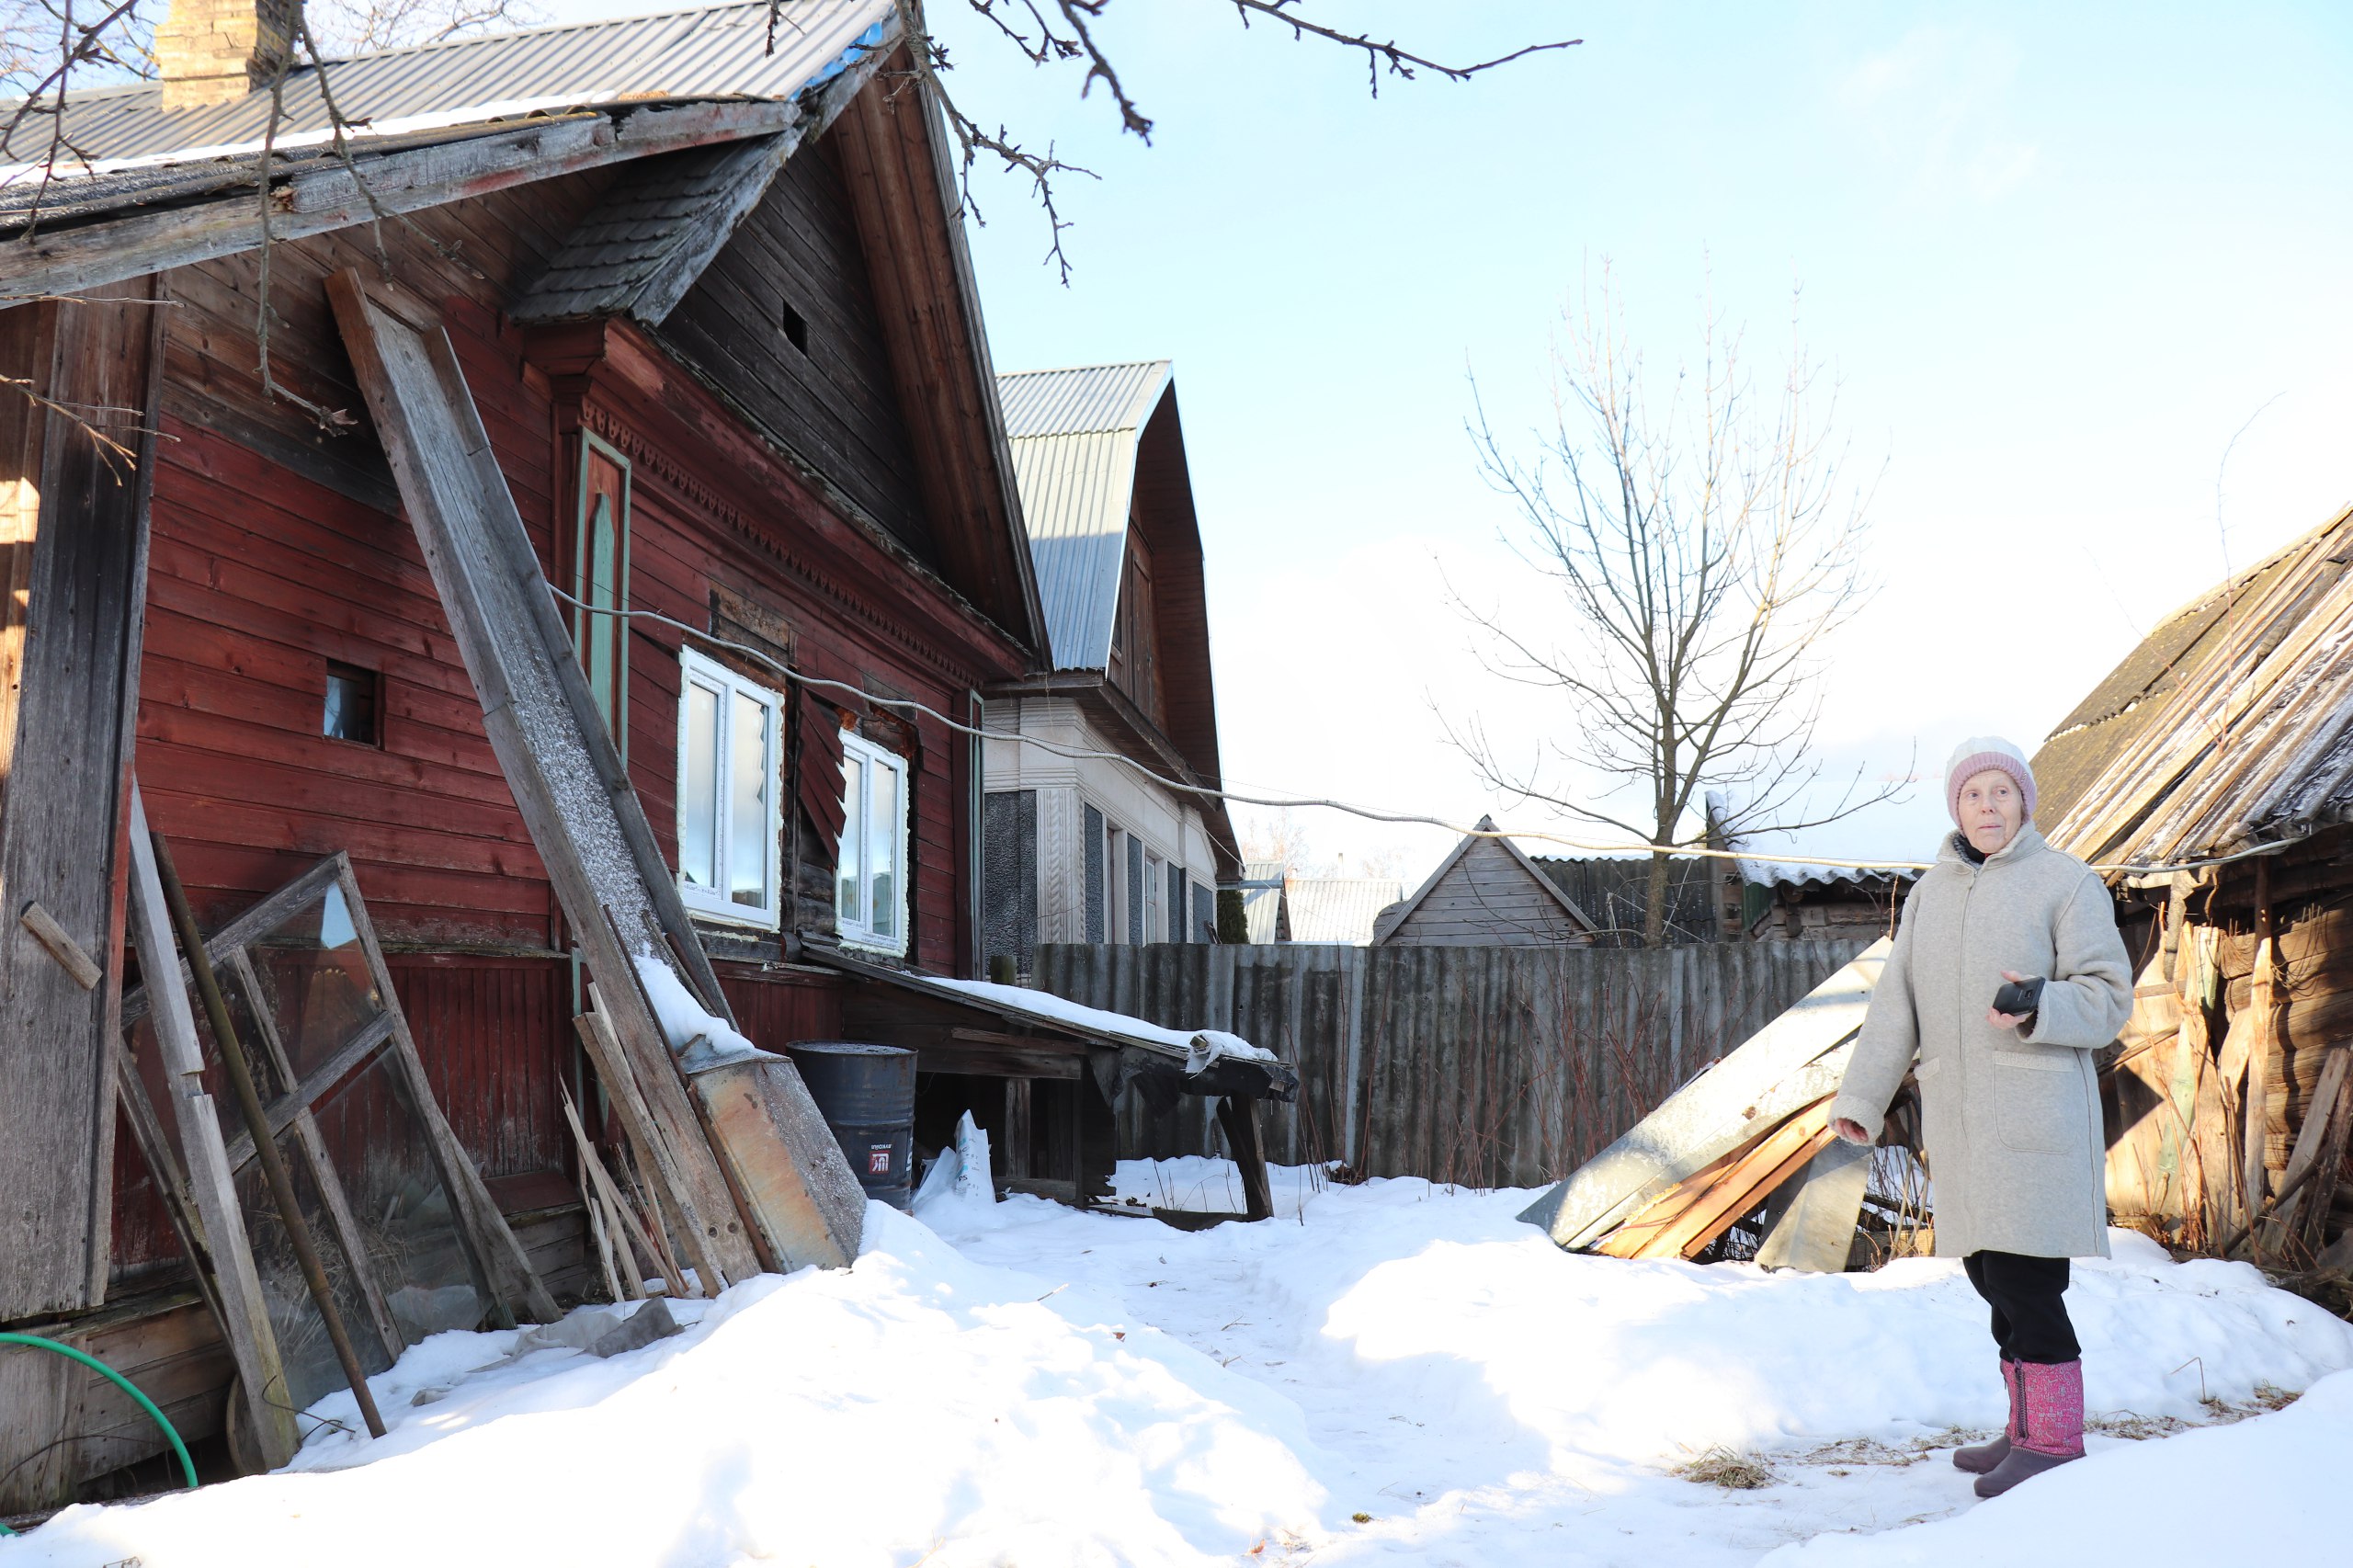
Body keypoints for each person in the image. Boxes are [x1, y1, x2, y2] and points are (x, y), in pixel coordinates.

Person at [1830, 736, 2132, 1499]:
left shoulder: (2065, 883)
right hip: (1961, 1133)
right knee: (1991, 1282)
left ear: (2024, 802)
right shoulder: (1931, 893)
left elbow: (2108, 997)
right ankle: (2026, 1428)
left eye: (2001, 791)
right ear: (1956, 808)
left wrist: (2041, 1001)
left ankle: (2055, 1442)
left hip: (2036, 1125)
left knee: (2031, 1288)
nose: (1988, 806)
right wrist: (1862, 1100)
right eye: (1973, 794)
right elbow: (1894, 1006)